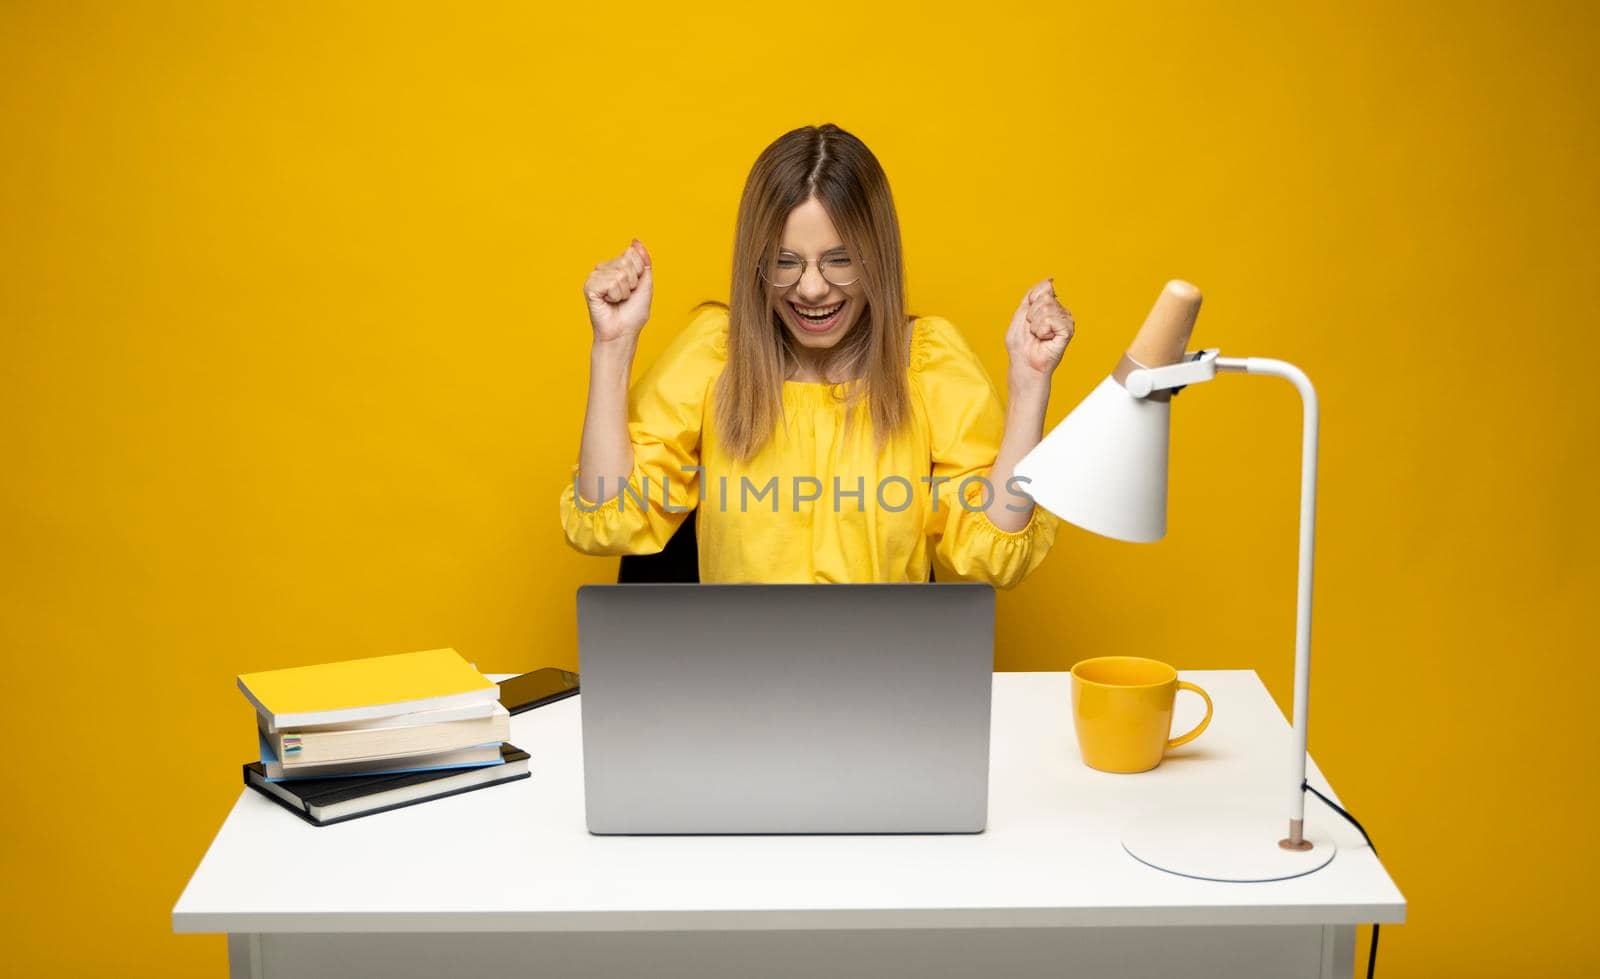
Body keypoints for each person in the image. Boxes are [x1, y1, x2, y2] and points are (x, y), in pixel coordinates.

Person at [559, 123, 1074, 588]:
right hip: (738, 679)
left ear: (879, 254)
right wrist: (612, 346)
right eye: (785, 261)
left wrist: (1030, 386)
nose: (810, 289)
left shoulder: (928, 363)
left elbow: (992, 555)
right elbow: (607, 520)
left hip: (886, 677)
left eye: (840, 260)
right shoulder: (715, 355)